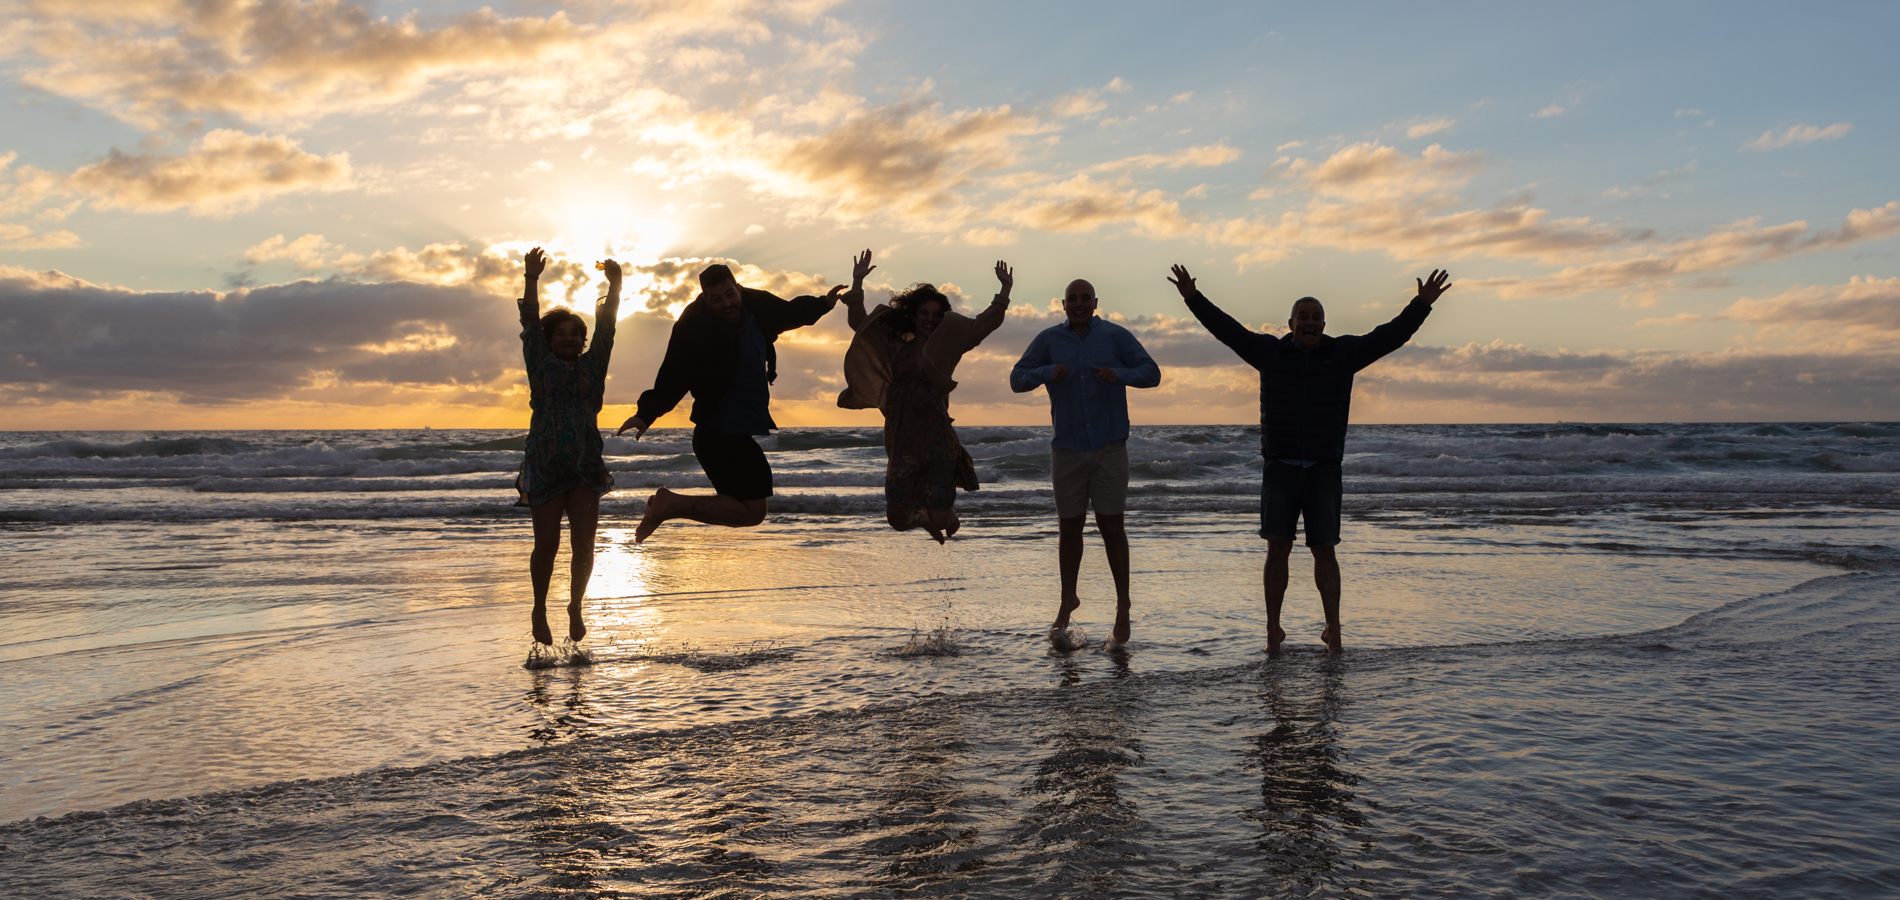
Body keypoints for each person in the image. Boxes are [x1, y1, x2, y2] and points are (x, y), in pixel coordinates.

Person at [1170, 264, 1452, 656]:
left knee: (1325, 550)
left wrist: (1420, 305)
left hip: (1323, 467)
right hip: (1280, 467)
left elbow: (1391, 336)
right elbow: (1227, 329)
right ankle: (1273, 630)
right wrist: (1193, 298)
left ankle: (1333, 630)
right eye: (1303, 316)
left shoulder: (1342, 353)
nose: (1311, 322)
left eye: (1317, 317)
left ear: (1324, 323)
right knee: (1277, 549)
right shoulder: (1269, 352)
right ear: (1290, 323)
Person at [617, 263, 843, 542]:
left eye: (729, 294)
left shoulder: (756, 306)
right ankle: (670, 504)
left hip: (735, 433)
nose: (726, 303)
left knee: (753, 511)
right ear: (705, 299)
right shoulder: (695, 325)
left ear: (738, 288)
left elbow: (788, 312)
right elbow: (675, 373)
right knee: (752, 512)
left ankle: (670, 505)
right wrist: (645, 414)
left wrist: (823, 304)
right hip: (718, 433)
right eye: (716, 299)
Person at [1011, 278, 1161, 651]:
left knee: (1112, 527)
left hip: (1110, 446)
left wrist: (1120, 375)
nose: (1078, 304)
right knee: (1069, 529)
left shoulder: (1115, 336)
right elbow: (1017, 379)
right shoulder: (1048, 340)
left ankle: (1123, 606)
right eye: (1072, 299)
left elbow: (1152, 372)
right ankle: (1068, 600)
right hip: (1067, 448)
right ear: (1063, 305)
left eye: (1085, 298)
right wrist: (1047, 372)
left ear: (1096, 302)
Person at [837, 250, 1012, 543]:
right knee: (896, 519)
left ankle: (946, 515)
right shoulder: (896, 342)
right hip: (902, 435)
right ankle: (926, 522)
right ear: (913, 315)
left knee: (943, 519)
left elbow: (985, 323)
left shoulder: (950, 344)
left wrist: (1004, 291)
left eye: (936, 315)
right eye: (924, 313)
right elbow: (860, 323)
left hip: (937, 438)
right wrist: (857, 284)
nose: (929, 320)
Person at [515, 247, 620, 646]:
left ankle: (576, 604)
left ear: (582, 340)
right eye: (562, 333)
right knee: (547, 545)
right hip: (544, 464)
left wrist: (615, 285)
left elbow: (607, 328)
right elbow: (528, 320)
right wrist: (531, 277)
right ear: (550, 339)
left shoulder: (594, 365)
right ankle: (539, 607)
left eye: (575, 334)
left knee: (584, 546)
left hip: (585, 465)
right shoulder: (539, 361)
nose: (570, 338)